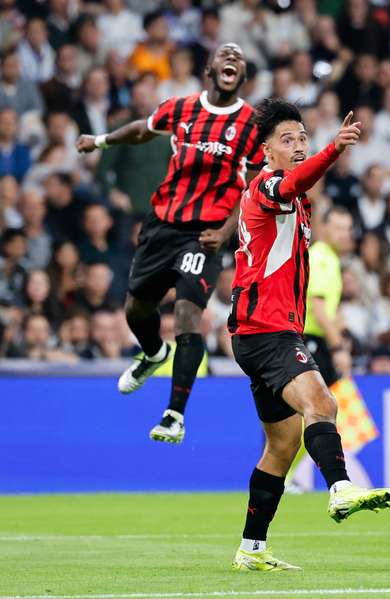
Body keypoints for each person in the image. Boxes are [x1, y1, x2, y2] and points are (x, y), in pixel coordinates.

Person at [229, 100, 390, 571]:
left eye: (302, 137)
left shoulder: (292, 200)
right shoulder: (269, 185)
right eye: (287, 139)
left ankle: (252, 548)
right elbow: (295, 181)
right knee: (321, 405)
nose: (299, 145)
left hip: (260, 329)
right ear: (265, 151)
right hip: (267, 329)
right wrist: (334, 149)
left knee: (282, 446)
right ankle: (340, 488)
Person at [76, 43, 263, 444]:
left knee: (186, 315)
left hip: (205, 235)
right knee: (137, 308)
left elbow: (255, 188)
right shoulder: (180, 107)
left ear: (242, 76)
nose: (232, 58)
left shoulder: (251, 123)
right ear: (210, 69)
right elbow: (145, 129)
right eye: (224, 55)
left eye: (239, 58)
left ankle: (174, 414)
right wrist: (103, 140)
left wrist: (227, 231)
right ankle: (153, 353)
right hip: (162, 224)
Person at [304, 206, 354, 387]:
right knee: (322, 408)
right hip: (311, 341)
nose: (344, 234)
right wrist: (338, 348)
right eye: (338, 228)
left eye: (347, 228)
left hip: (315, 340)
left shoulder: (329, 258)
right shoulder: (321, 259)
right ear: (324, 227)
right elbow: (319, 311)